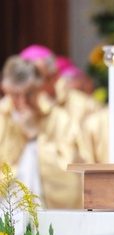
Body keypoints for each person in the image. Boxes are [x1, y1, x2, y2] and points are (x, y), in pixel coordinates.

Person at [0, 55, 83, 209]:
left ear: (40, 87)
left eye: (29, 94)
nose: (22, 102)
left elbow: (72, 177)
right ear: (4, 89)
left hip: (48, 211)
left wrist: (35, 138)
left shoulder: (59, 119)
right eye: (15, 95)